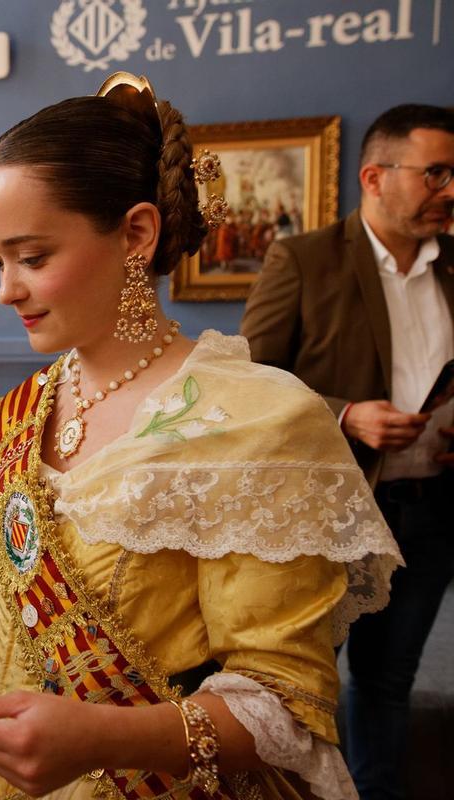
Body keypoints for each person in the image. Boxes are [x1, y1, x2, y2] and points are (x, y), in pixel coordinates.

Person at [0, 73, 401, 800]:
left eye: (33, 256)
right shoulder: (18, 411)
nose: (5, 290)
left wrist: (97, 738)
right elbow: (13, 600)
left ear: (137, 234)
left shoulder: (256, 421)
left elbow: (284, 708)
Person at [241, 103, 454, 799]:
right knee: (302, 689)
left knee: (389, 686)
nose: (451, 190)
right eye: (438, 173)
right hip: (330, 518)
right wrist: (348, 416)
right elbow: (249, 385)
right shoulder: (302, 258)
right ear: (375, 176)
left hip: (431, 515)